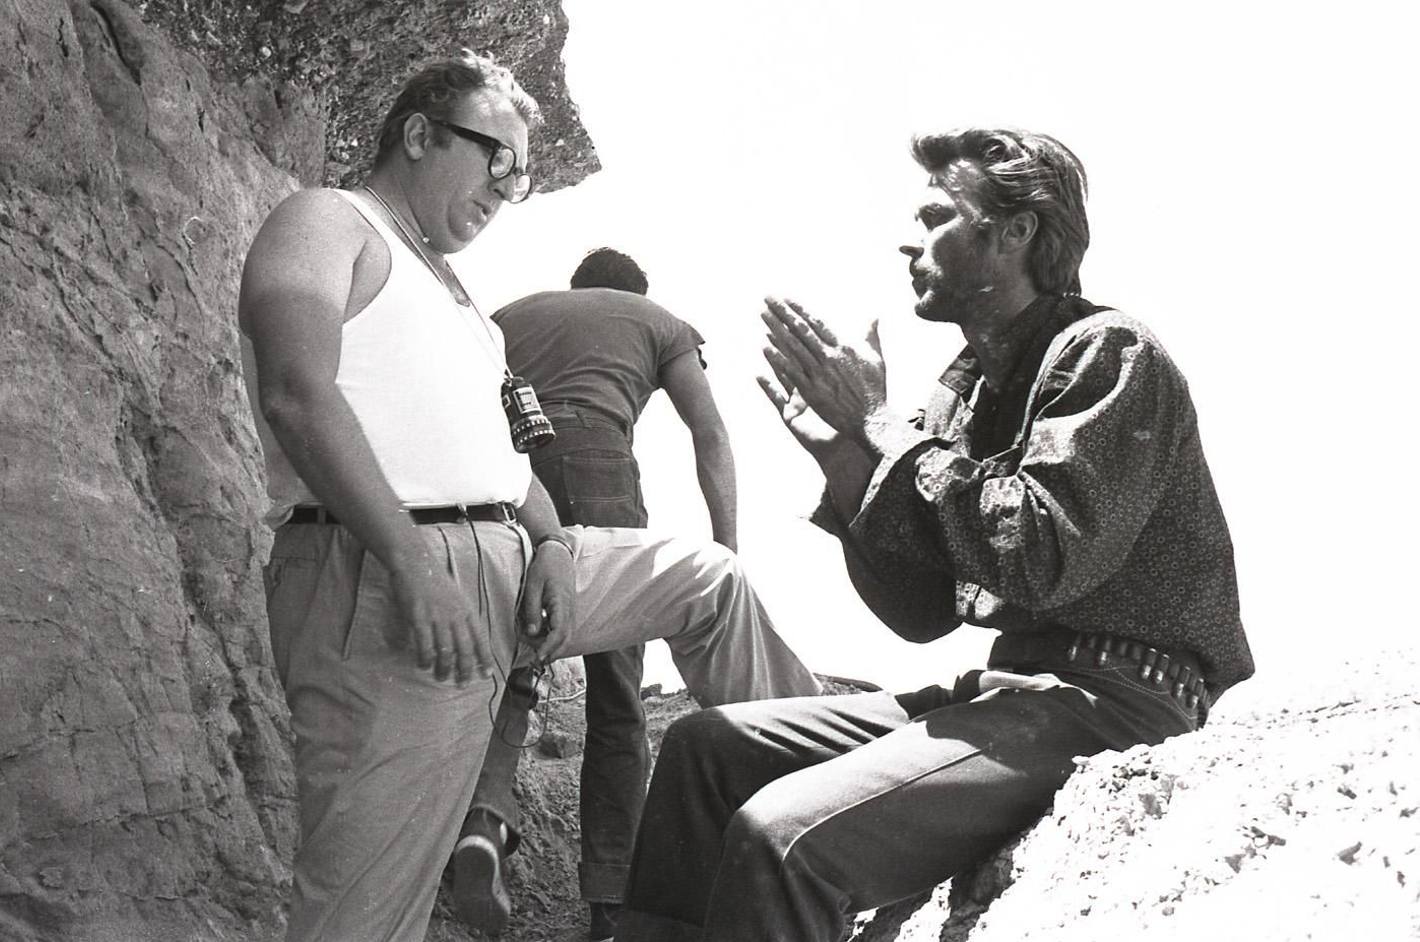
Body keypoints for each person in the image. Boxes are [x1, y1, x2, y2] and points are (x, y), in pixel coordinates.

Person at [236, 50, 818, 942]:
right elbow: (295, 391)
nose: (507, 188)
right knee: (364, 907)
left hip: (517, 562)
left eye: (522, 172)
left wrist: (548, 541)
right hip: (385, 579)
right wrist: (410, 560)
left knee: (708, 579)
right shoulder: (325, 222)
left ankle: (827, 799)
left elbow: (506, 451)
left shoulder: (466, 299)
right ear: (420, 134)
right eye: (493, 157)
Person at [616, 128, 1253, 942]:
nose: (908, 240)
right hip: (1015, 691)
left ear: (1015, 230)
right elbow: (921, 613)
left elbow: (1040, 555)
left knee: (786, 838)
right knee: (706, 750)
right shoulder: (961, 395)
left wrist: (881, 427)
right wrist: (848, 460)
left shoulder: (1107, 352)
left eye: (935, 214)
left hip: (1117, 702)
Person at [453, 248, 737, 941]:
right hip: (595, 465)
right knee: (616, 697)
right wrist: (726, 550)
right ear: (635, 293)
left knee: (514, 666)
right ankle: (612, 902)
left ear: (576, 287)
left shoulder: (509, 315)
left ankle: (483, 825)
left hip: (500, 475)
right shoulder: (657, 319)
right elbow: (710, 432)